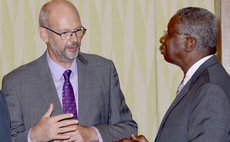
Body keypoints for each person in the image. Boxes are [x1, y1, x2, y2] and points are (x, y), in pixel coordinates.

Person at [2, 0, 137, 141]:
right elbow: (7, 138)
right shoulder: (16, 83)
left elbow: (128, 128)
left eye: (78, 31)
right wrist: (34, 136)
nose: (74, 40)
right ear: (44, 34)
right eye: (65, 33)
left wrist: (93, 134)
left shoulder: (104, 71)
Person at [118, 7, 230, 142]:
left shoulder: (211, 89)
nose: (162, 39)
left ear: (189, 43)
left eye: (169, 33)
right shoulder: (202, 81)